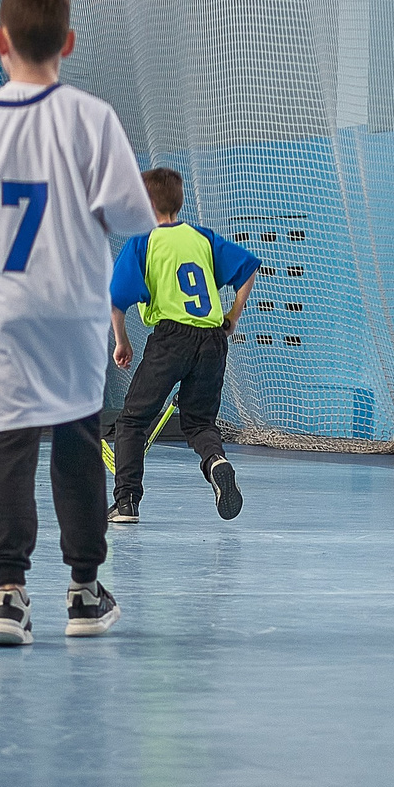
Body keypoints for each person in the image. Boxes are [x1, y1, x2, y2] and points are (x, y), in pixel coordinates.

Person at [0, 0, 156, 646]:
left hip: (1, 314)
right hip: (72, 312)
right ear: (69, 41)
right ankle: (85, 592)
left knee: (8, 452)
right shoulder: (91, 117)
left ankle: (9, 596)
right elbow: (131, 217)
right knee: (76, 446)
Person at [107, 168, 260, 524]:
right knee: (200, 422)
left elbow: (116, 300)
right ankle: (216, 462)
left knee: (131, 422)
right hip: (211, 340)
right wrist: (232, 316)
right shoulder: (202, 237)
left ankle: (127, 501)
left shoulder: (143, 243)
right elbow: (248, 267)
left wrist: (122, 341)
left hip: (171, 339)